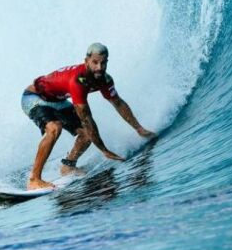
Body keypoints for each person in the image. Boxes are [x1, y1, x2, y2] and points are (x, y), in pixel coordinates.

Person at [21, 43, 156, 190]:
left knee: (86, 135)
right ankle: (34, 179)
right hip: (34, 97)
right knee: (54, 128)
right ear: (86, 61)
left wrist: (139, 128)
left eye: (103, 63)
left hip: (58, 101)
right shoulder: (77, 81)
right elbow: (86, 118)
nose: (99, 67)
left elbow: (118, 103)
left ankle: (68, 165)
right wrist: (104, 150)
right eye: (95, 62)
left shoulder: (105, 79)